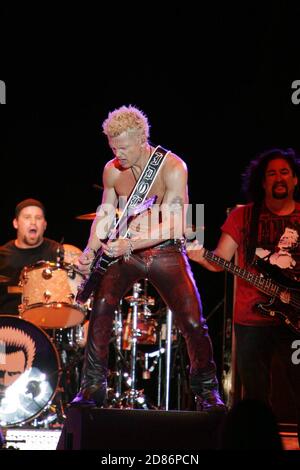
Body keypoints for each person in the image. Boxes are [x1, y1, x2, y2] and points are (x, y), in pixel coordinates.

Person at [71, 104, 225, 412]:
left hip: (165, 250)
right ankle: (91, 387)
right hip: (124, 252)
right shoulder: (112, 170)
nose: (119, 155)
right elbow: (104, 214)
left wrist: (132, 242)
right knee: (100, 308)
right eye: (113, 148)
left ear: (143, 139)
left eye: (124, 148)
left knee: (193, 321)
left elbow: (177, 222)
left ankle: (207, 392)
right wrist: (90, 251)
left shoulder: (173, 167)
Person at [187, 148, 300, 442]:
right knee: (255, 400)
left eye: (284, 172)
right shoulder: (243, 216)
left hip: (295, 318)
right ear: (262, 182)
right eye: (271, 173)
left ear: (295, 180)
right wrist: (199, 256)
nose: (278, 178)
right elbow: (218, 260)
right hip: (251, 320)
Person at [0, 198, 82, 315]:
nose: (33, 222)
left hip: (50, 324)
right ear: (16, 223)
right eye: (27, 217)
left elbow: (82, 286)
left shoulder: (60, 252)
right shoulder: (2, 256)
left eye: (38, 218)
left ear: (45, 225)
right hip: (8, 327)